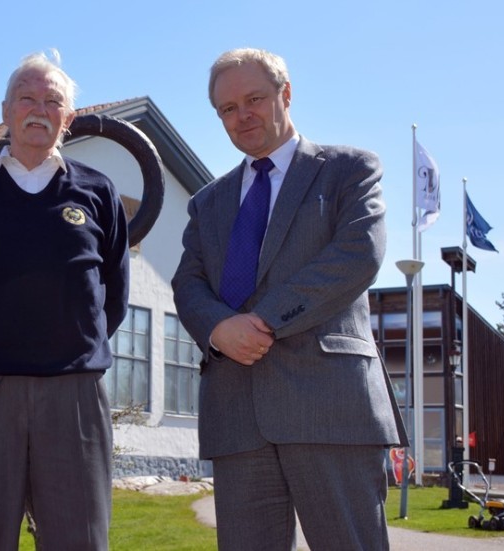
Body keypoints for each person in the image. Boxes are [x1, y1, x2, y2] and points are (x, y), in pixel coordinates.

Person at [171, 48, 407, 550]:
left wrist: (260, 322)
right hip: (237, 416)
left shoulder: (348, 170)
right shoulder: (207, 202)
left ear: (286, 93)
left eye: (254, 98)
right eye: (227, 109)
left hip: (330, 408)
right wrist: (218, 329)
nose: (242, 115)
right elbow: (187, 284)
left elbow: (357, 255)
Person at [0, 50, 129, 551]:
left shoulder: (98, 191)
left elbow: (113, 298)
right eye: (27, 98)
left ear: (69, 118)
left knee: (79, 541)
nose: (39, 108)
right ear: (5, 110)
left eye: (52, 100)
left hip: (73, 396)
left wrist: (69, 350)